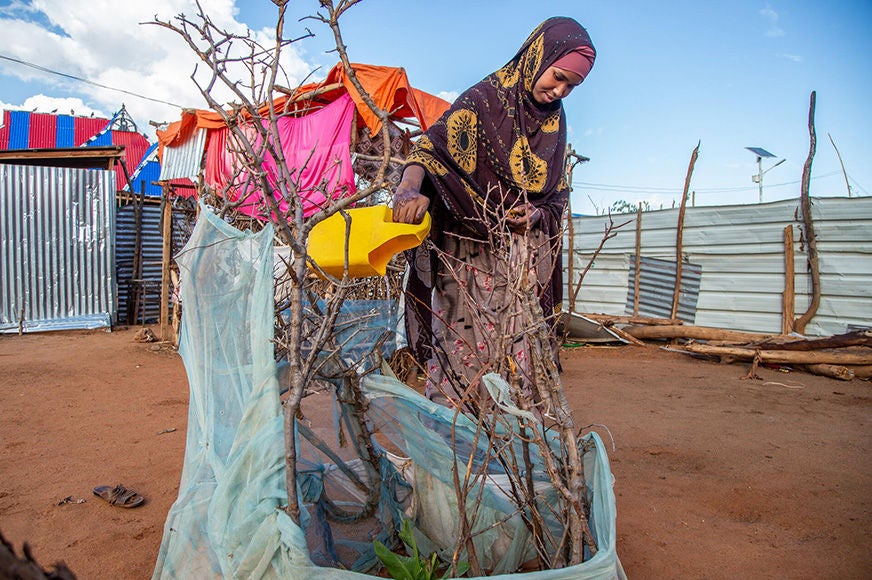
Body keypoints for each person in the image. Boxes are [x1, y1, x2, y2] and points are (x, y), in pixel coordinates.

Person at [392, 17, 596, 409]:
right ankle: (455, 457)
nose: (560, 90)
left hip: (517, 264)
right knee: (461, 357)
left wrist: (535, 216)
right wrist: (408, 188)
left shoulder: (554, 122)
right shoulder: (483, 100)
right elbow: (430, 151)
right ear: (537, 56)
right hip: (466, 260)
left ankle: (508, 459)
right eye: (557, 77)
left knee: (521, 363)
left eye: (572, 86)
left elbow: (554, 196)